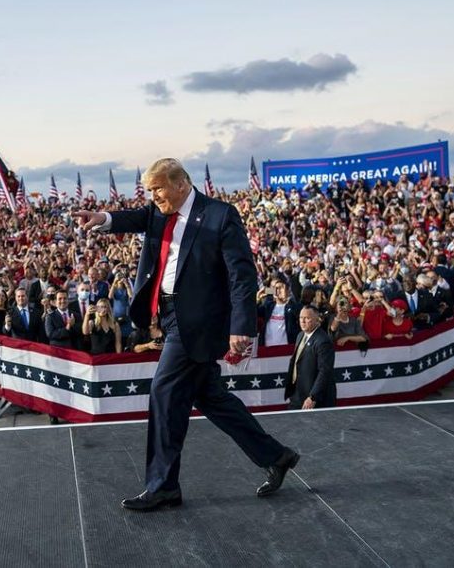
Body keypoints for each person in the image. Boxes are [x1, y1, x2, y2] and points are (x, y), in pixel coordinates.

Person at [74, 158, 297, 512]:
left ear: (181, 185)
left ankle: (163, 486)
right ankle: (276, 455)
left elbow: (242, 275)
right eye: (150, 190)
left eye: (158, 189)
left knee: (163, 393)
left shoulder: (220, 215)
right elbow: (134, 218)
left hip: (200, 322)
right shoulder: (158, 211)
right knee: (211, 398)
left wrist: (242, 327)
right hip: (169, 316)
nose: (154, 196)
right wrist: (102, 218)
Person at [283, 306, 337, 409]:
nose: (302, 321)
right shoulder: (300, 335)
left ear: (317, 320)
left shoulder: (323, 341)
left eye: (307, 318)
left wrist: (313, 397)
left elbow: (324, 371)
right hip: (298, 394)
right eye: (301, 317)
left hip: (314, 400)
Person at [257, 277, 300, 347]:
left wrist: (287, 299)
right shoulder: (268, 306)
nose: (277, 290)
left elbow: (298, 313)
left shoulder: (293, 306)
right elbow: (253, 314)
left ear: (287, 290)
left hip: (287, 347)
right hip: (267, 347)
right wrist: (258, 299)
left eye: (281, 288)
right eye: (275, 288)